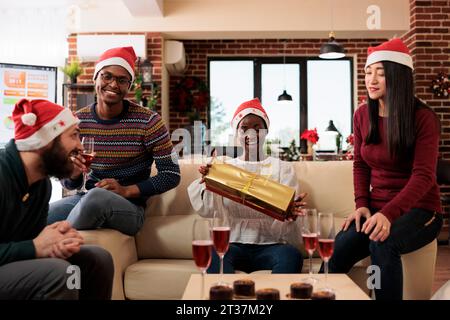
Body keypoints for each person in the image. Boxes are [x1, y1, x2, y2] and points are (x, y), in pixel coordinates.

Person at [327, 38, 443, 300]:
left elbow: (424, 176)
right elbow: (360, 164)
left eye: (381, 72)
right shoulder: (361, 115)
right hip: (377, 208)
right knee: (337, 250)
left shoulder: (423, 118)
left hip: (422, 210)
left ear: (398, 76)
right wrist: (362, 204)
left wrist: (388, 214)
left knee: (382, 242)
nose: (372, 79)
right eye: (368, 72)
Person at [47, 46, 180, 236]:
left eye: (122, 80)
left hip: (130, 208)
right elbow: (69, 185)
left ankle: (57, 240)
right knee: (40, 216)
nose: (113, 84)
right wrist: (74, 173)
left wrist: (127, 190)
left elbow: (171, 174)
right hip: (85, 198)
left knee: (96, 197)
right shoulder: (76, 122)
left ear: (129, 86)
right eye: (107, 76)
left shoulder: (149, 122)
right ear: (95, 79)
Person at [0, 99, 114, 299]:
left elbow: (31, 242)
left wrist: (55, 242)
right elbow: (32, 247)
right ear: (44, 140)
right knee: (58, 274)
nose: (80, 146)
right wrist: (35, 247)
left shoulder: (40, 184)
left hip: (8, 263)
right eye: (74, 136)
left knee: (97, 260)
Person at [188, 98, 306, 274]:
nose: (251, 134)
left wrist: (291, 215)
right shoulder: (225, 168)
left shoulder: (283, 168)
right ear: (237, 133)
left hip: (272, 245)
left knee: (292, 256)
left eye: (257, 128)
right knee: (212, 253)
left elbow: (291, 218)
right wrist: (208, 182)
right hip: (232, 244)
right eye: (244, 128)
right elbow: (209, 211)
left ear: (266, 132)